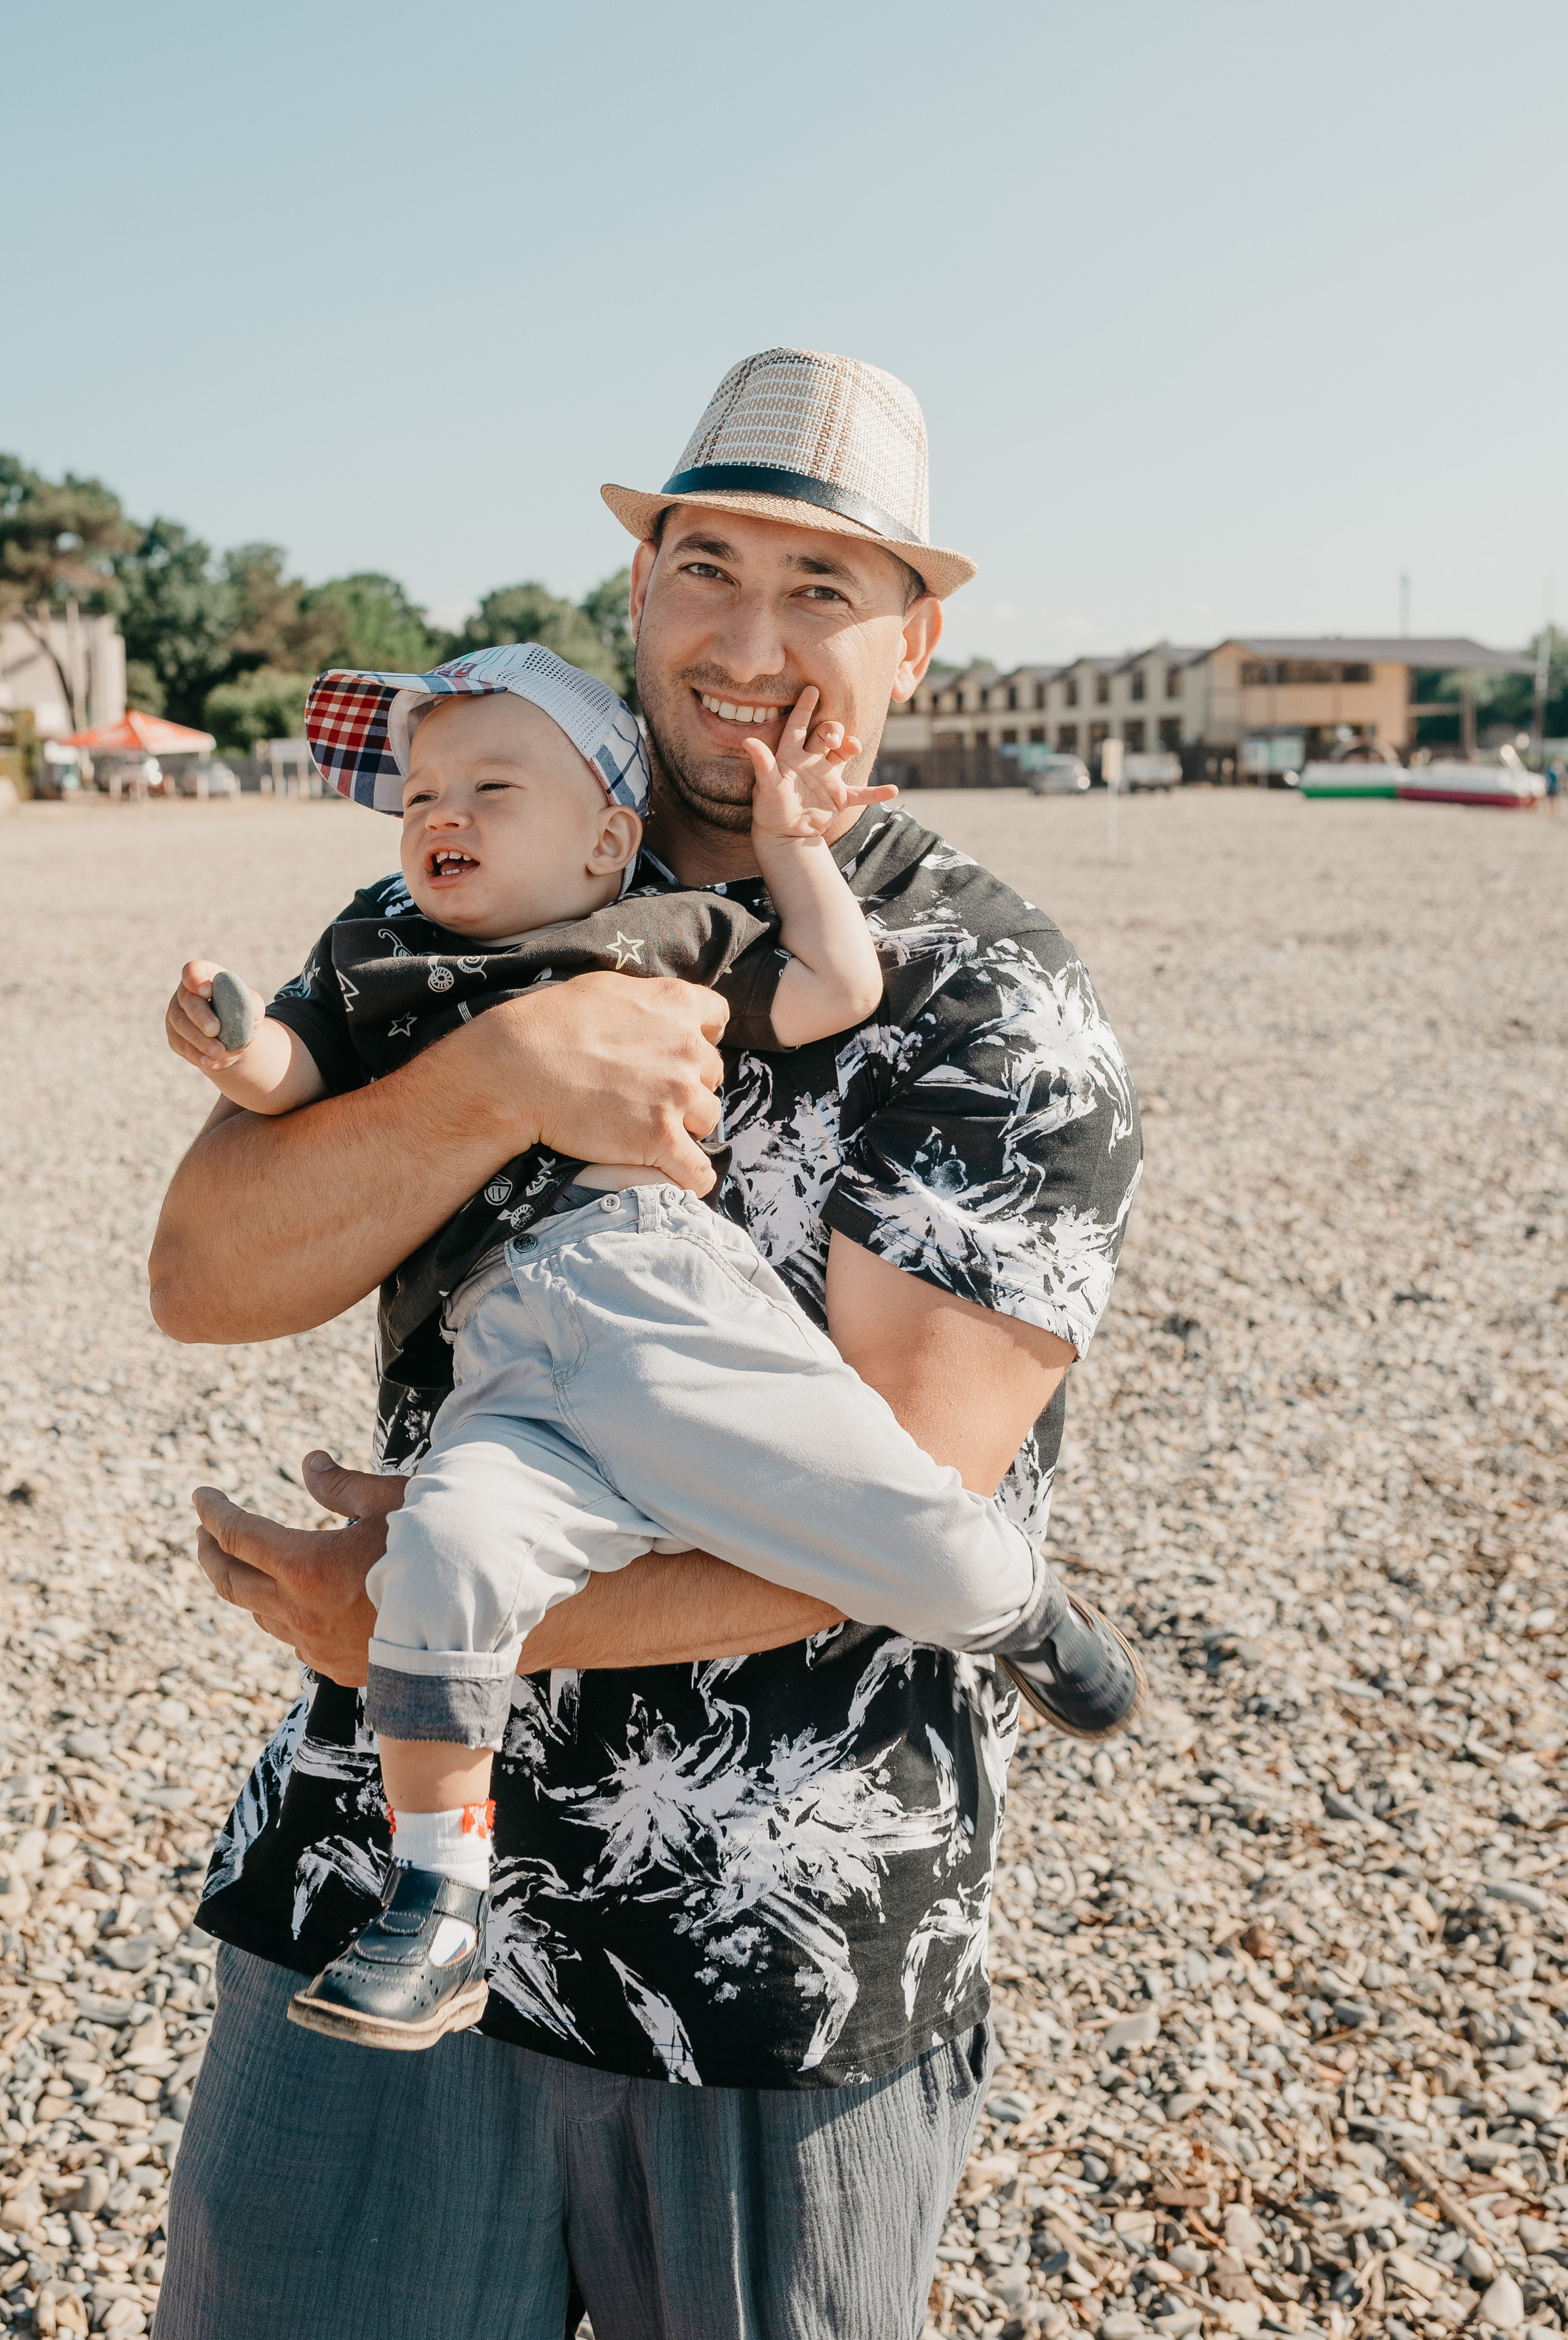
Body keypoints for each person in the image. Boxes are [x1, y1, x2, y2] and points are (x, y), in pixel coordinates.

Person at [149, 346, 1144, 2340]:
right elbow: (208, 1274)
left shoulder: (991, 1001)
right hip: (379, 1884)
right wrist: (509, 1071)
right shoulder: (476, 890)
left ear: (920, 644)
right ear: (637, 597)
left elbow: (886, 1501)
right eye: (706, 566)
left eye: (823, 590)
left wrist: (403, 1620)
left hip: (769, 1952)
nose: (750, 639)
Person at [166, 641, 1141, 2055]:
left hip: (651, 1304)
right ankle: (436, 1909)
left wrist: (792, 848)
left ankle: (1011, 1613)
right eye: (420, 791)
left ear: (603, 838)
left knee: (861, 1491)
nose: (441, 812)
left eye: (491, 785)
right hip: (498, 1353)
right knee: (445, 1553)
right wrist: (231, 1045)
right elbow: (285, 1090)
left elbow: (826, 988)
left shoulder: (649, 929)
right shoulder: (381, 944)